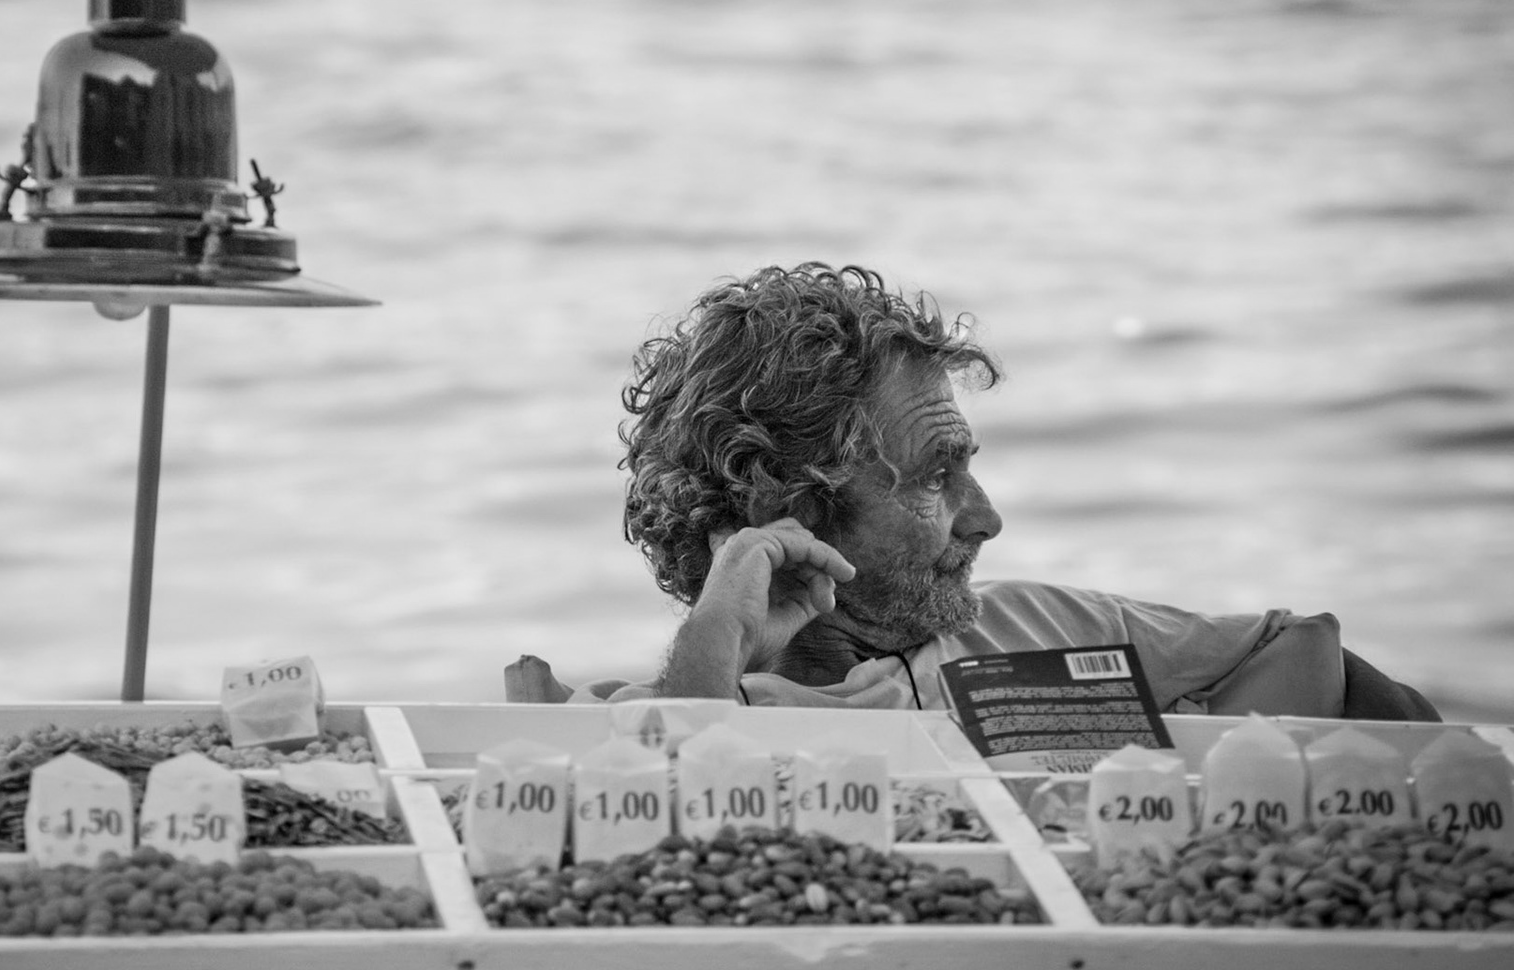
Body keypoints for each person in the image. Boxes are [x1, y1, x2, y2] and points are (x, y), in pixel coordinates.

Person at [510, 262, 1438, 721]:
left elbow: (1309, 657)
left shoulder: (1040, 629)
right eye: (937, 478)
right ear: (784, 507)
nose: (988, 518)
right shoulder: (652, 712)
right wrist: (718, 642)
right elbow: (658, 815)